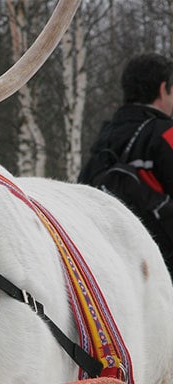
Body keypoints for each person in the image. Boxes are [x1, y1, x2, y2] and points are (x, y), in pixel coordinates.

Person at [79, 53, 173, 277]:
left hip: (112, 269)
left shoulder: (105, 138)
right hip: (162, 270)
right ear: (163, 89)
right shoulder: (166, 133)